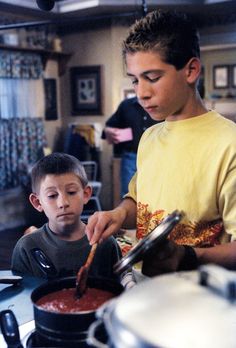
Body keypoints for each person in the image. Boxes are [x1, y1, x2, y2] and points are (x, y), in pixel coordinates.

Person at [85, 9, 236, 275]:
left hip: (200, 302)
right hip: (146, 291)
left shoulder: (229, 144)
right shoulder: (150, 138)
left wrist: (188, 256)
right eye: (135, 80)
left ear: (190, 70)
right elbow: (138, 200)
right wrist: (118, 214)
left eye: (152, 78)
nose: (141, 93)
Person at [11, 152, 121, 279]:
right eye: (52, 195)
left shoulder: (105, 243)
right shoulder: (26, 248)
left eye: (71, 192)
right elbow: (21, 296)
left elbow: (118, 293)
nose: (63, 203)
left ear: (86, 194)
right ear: (37, 202)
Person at [102, 97, 157, 197]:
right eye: (136, 81)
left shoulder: (162, 104)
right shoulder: (126, 105)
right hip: (131, 158)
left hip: (156, 157)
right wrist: (107, 131)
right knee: (128, 194)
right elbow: (109, 128)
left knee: (155, 192)